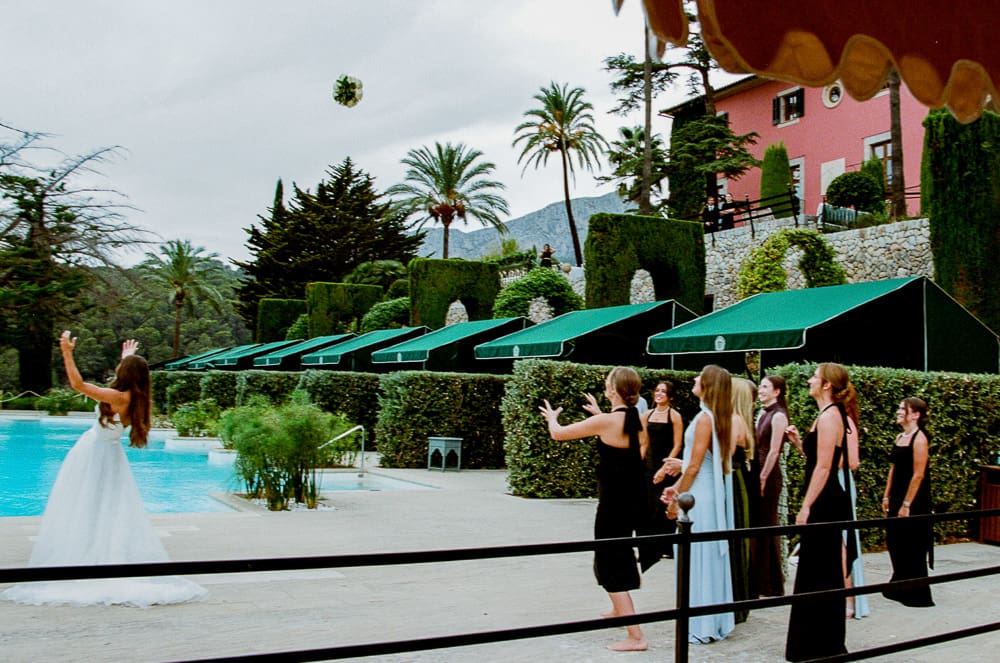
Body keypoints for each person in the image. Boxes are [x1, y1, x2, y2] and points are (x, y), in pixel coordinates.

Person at [1, 332, 206, 607]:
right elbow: (127, 377)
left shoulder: (116, 396)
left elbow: (77, 384)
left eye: (122, 368)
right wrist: (128, 358)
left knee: (86, 504)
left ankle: (88, 555)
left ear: (126, 374)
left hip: (94, 455)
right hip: (110, 456)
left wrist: (66, 352)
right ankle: (101, 552)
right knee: (106, 507)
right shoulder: (137, 398)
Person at [539, 366, 649, 652]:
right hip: (628, 500)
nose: (604, 385)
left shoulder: (607, 421)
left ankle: (635, 636)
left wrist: (552, 418)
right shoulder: (636, 418)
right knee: (613, 554)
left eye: (607, 383)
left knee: (612, 560)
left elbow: (559, 434)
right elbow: (627, 444)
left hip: (613, 504)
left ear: (614, 389)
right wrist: (600, 414)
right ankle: (617, 611)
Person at [784, 363, 855, 661]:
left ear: (826, 384)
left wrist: (806, 506)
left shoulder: (830, 417)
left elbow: (826, 466)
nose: (810, 379)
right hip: (824, 497)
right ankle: (816, 641)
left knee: (820, 570)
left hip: (824, 502)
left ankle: (819, 644)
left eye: (815, 376)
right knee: (817, 570)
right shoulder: (828, 415)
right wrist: (800, 444)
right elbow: (818, 460)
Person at [662, 365, 736, 644]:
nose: (694, 378)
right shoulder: (717, 417)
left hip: (699, 495)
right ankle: (707, 617)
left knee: (698, 554)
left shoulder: (706, 418)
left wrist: (675, 497)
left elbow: (694, 467)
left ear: (708, 385)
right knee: (702, 555)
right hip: (706, 490)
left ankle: (700, 622)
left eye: (699, 376)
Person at [881, 397, 934, 608]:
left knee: (912, 544)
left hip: (914, 501)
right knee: (895, 540)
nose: (899, 411)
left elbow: (919, 474)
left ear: (916, 415)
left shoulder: (920, 439)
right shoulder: (900, 437)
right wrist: (887, 495)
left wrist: (907, 504)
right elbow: (893, 469)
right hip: (896, 497)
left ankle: (916, 592)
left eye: (904, 409)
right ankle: (900, 584)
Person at [638, 380, 684, 569]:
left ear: (670, 396)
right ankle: (648, 548)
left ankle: (666, 546)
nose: (659, 394)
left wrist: (664, 468)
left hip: (667, 465)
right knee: (647, 507)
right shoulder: (646, 415)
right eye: (657, 390)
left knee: (663, 505)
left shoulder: (675, 416)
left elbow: (677, 444)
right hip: (648, 466)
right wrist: (638, 463)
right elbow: (644, 442)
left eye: (663, 392)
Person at [754, 374, 788, 597]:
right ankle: (760, 578)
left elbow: (775, 450)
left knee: (768, 523)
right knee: (760, 525)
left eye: (765, 387)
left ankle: (772, 582)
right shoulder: (762, 413)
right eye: (760, 386)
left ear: (777, 391)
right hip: (758, 467)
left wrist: (763, 476)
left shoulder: (778, 416)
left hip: (769, 472)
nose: (761, 389)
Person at [729, 377, 758, 623]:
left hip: (732, 484)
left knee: (735, 540)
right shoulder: (740, 421)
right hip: (737, 482)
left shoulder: (735, 422)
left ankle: (737, 600)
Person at [840, 391, 870, 618]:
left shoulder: (846, 421)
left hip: (840, 481)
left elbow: (853, 461)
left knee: (843, 539)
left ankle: (850, 599)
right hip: (828, 479)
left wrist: (827, 458)